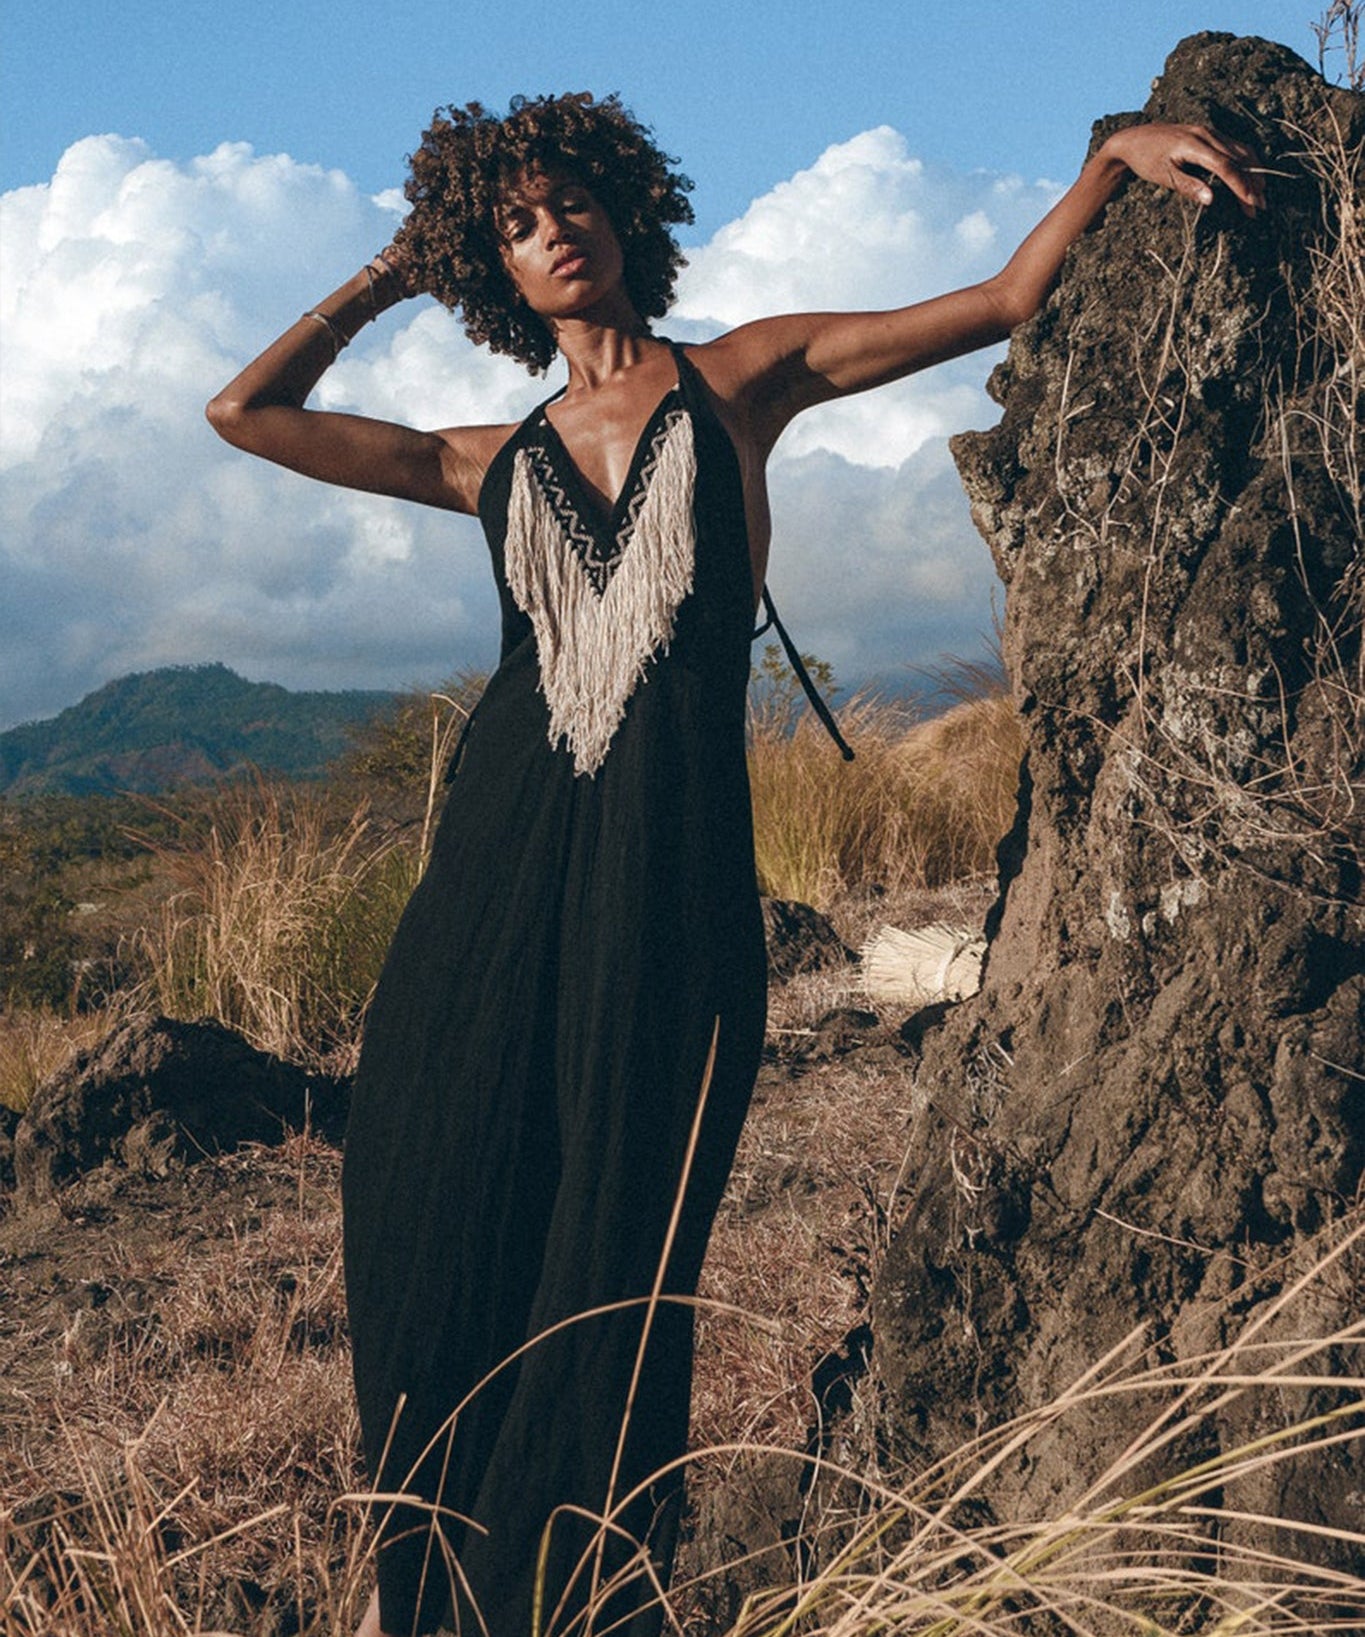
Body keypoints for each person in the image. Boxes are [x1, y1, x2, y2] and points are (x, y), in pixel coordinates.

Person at [205, 92, 1264, 1637]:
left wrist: (1105, 159)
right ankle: (419, 1592)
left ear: (624, 210)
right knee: (433, 1198)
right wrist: (386, 273)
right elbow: (245, 413)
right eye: (513, 226)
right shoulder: (478, 456)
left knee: (621, 1237)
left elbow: (993, 303)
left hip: (669, 881)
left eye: (569, 201)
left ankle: (567, 1593)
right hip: (487, 895)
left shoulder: (740, 378)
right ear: (493, 270)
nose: (553, 234)